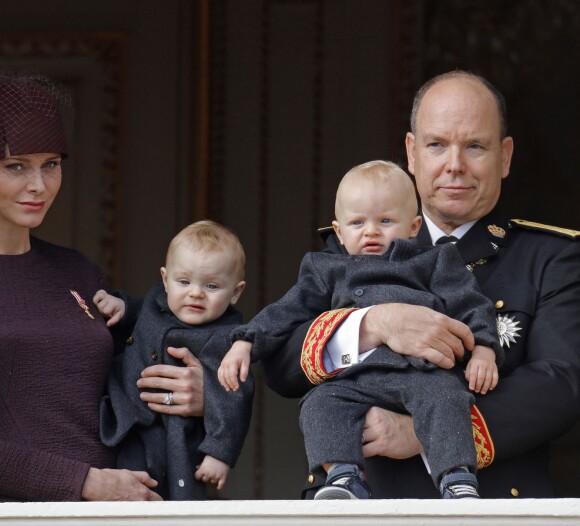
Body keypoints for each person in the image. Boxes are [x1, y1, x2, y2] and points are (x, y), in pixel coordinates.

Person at [261, 70, 580, 499]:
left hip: (494, 517)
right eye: (437, 144)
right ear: (411, 153)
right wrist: (374, 323)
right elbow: (281, 362)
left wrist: (427, 433)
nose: (455, 164)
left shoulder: (551, 257)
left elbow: (561, 384)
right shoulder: (357, 245)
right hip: (361, 513)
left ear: (505, 157)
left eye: (475, 146)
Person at [220, 161, 502, 499]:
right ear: (339, 232)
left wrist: (484, 348)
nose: (370, 231)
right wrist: (246, 342)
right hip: (355, 378)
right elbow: (286, 310)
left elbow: (471, 305)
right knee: (320, 403)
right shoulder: (325, 268)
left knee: (448, 397)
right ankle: (343, 477)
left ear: (413, 227)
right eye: (357, 222)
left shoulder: (435, 260)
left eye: (385, 221)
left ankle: (457, 479)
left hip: (422, 372)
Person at [0, 72, 202, 502]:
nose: (38, 185)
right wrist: (83, 482)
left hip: (110, 521)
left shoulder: (77, 272)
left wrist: (201, 396)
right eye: (15, 166)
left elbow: (130, 385)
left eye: (50, 165)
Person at [94, 221, 254, 500]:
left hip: (178, 440)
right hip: (125, 423)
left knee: (178, 498)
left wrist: (220, 453)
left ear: (236, 292)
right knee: (126, 492)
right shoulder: (156, 302)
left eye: (212, 285)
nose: (195, 293)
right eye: (184, 281)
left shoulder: (228, 339)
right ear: (165, 280)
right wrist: (120, 305)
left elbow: (235, 397)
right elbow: (137, 310)